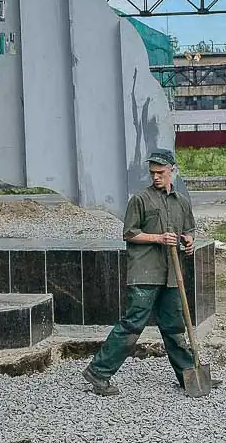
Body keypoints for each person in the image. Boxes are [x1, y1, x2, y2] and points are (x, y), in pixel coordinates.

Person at [83, 149, 213, 396]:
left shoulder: (182, 202)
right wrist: (159, 238)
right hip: (145, 272)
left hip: (171, 274)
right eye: (152, 172)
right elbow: (129, 233)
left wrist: (188, 240)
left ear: (172, 171)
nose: (156, 177)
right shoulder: (140, 200)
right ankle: (98, 372)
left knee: (174, 326)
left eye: (161, 172)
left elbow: (189, 230)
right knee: (133, 323)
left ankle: (188, 375)